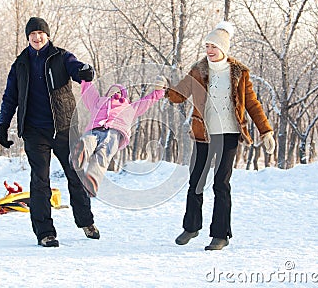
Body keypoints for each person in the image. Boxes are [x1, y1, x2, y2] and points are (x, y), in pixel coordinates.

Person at [163, 21, 275, 250]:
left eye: (214, 46)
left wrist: (266, 131)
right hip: (204, 135)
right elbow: (180, 94)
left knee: (221, 183)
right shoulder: (198, 71)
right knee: (196, 181)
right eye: (207, 46)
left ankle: (220, 235)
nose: (210, 50)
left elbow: (252, 104)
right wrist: (165, 91)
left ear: (224, 48)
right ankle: (191, 227)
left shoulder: (239, 73)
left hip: (229, 135)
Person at [0, 17, 100, 247]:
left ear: (47, 35)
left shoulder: (61, 57)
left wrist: (84, 71)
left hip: (64, 128)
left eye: (40, 33)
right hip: (34, 131)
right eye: (32, 34)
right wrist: (3, 125)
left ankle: (86, 221)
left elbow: (77, 69)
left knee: (75, 175)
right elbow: (9, 97)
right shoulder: (20, 64)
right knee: (40, 181)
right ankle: (45, 233)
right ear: (28, 38)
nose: (36, 37)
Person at [70, 80, 165, 197]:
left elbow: (146, 102)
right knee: (88, 140)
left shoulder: (129, 107)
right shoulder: (98, 101)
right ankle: (79, 155)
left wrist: (158, 91)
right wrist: (85, 79)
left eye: (119, 92)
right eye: (112, 91)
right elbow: (88, 92)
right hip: (96, 128)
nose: (115, 94)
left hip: (114, 134)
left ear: (124, 95)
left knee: (103, 156)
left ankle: (92, 180)